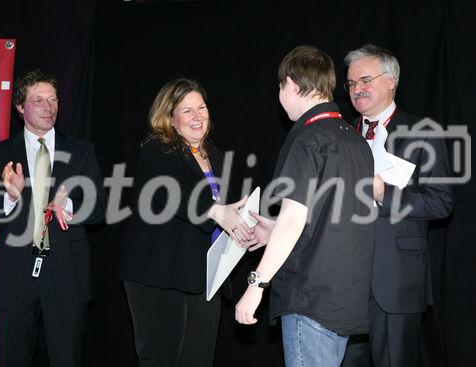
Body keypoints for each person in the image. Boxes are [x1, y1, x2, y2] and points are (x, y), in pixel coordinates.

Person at [234, 45, 375, 367]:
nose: (280, 97)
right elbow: (332, 216)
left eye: (281, 88)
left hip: (310, 295)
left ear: (293, 85)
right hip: (345, 295)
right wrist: (276, 229)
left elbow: (295, 218)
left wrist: (256, 285)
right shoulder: (355, 141)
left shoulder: (308, 139)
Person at [0, 69, 107, 366]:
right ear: (21, 107)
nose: (49, 107)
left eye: (53, 99)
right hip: (15, 276)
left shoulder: (81, 152)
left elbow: (100, 207)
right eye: (38, 100)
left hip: (67, 274)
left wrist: (69, 203)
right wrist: (10, 196)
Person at [120, 78, 252, 367]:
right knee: (162, 360)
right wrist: (216, 212)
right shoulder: (158, 150)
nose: (197, 116)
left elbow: (224, 209)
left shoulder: (214, 154)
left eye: (201, 108)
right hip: (160, 277)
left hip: (205, 278)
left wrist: (243, 224)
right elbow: (168, 192)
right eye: (187, 110)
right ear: (170, 118)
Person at [341, 44, 453, 367]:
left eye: (365, 80)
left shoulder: (423, 132)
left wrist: (383, 193)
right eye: (350, 84)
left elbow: (441, 201)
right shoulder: (341, 136)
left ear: (391, 80)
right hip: (345, 283)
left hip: (396, 281)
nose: (356, 90)